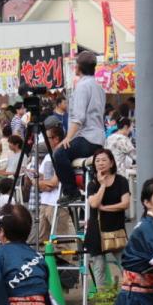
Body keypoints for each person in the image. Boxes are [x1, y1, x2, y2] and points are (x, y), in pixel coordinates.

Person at [52, 51, 106, 205]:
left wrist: (68, 138)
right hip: (98, 139)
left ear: (78, 68)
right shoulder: (98, 87)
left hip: (87, 137)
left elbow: (79, 117)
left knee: (59, 153)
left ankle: (72, 192)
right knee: (64, 152)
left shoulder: (82, 86)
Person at [84, 148, 131, 289]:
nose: (100, 163)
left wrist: (105, 208)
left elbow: (125, 204)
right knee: (100, 270)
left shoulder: (121, 181)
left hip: (116, 231)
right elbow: (94, 203)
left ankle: (131, 293)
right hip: (96, 233)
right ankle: (103, 301)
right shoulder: (92, 184)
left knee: (127, 266)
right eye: (97, 161)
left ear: (111, 163)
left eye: (104, 160)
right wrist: (102, 185)